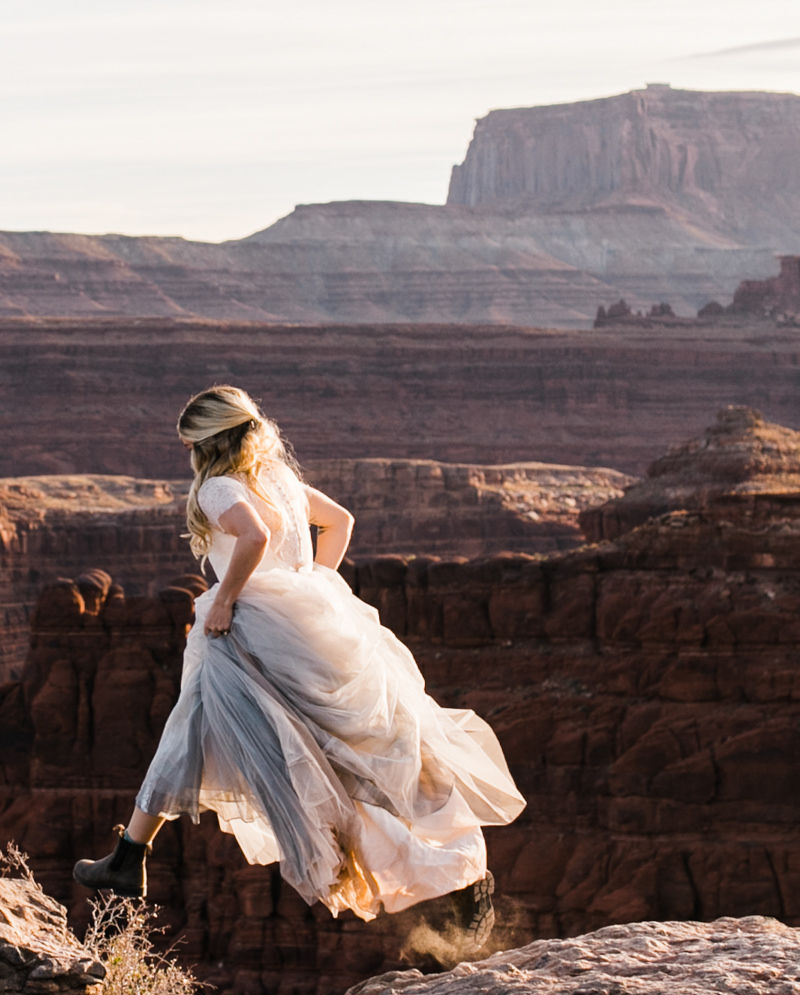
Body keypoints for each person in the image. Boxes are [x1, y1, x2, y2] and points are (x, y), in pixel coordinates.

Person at [72, 385, 523, 931]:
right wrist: (315, 585)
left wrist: (229, 601)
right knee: (344, 755)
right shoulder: (279, 478)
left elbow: (253, 535)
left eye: (189, 442)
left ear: (205, 443)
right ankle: (129, 855)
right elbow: (342, 522)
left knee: (276, 752)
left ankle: (128, 859)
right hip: (310, 623)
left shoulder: (218, 488)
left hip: (249, 630)